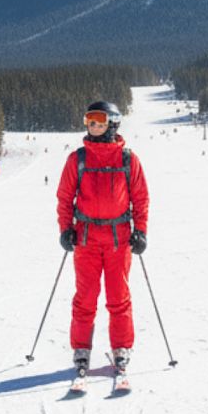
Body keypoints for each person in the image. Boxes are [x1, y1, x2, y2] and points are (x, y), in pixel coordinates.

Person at [57, 100, 149, 383]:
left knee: (118, 297)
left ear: (113, 122)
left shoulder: (127, 159)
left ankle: (121, 347)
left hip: (118, 239)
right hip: (86, 240)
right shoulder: (78, 159)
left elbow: (140, 198)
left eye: (99, 120)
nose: (93, 126)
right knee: (85, 298)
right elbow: (64, 197)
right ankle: (81, 349)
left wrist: (141, 230)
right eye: (89, 121)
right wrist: (65, 229)